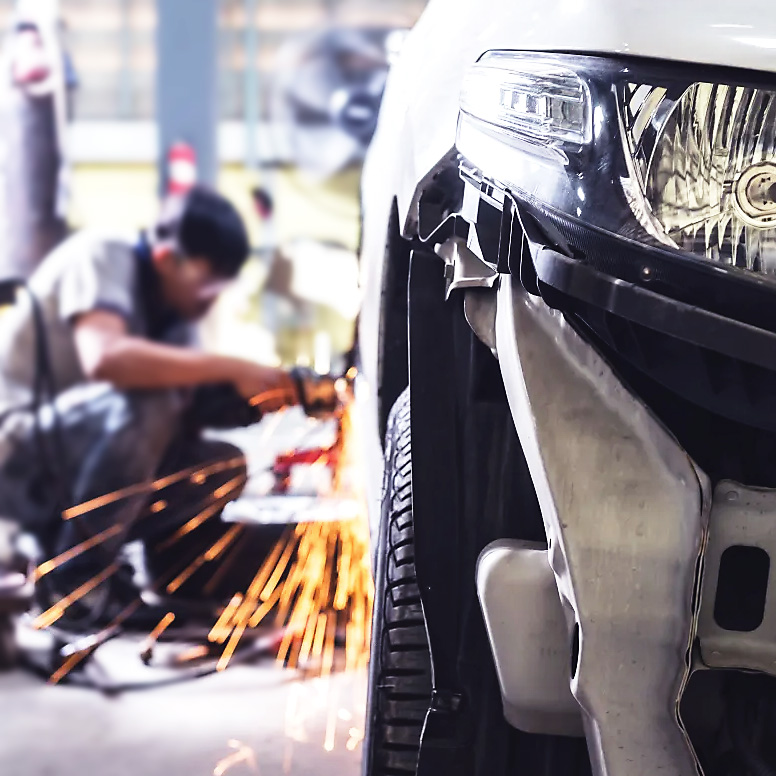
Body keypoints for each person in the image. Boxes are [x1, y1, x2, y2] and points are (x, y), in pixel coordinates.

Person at [0, 186, 299, 619]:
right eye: (204, 288)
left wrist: (250, 399)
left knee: (221, 467)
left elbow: (175, 425)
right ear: (166, 259)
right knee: (150, 404)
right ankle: (74, 586)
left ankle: (167, 579)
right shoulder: (102, 256)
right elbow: (106, 359)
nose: (207, 302)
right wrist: (231, 367)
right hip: (19, 456)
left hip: (77, 470)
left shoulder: (172, 316)